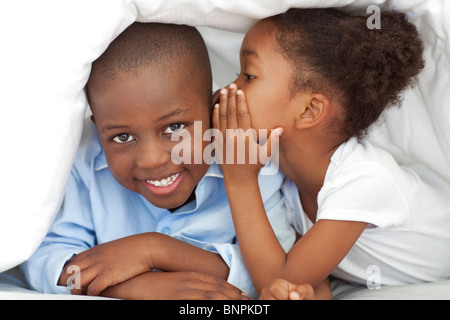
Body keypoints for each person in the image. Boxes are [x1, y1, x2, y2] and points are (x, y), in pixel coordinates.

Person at [21, 22, 295, 300]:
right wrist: (134, 287)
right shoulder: (83, 163)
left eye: (175, 128)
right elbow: (45, 261)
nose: (151, 160)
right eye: (123, 137)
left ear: (212, 111)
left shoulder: (253, 165)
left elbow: (278, 275)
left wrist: (156, 250)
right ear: (99, 127)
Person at [213, 8, 450, 299]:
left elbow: (277, 283)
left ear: (310, 110)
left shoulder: (363, 180)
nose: (229, 89)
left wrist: (239, 180)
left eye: (249, 76)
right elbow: (304, 280)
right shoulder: (279, 169)